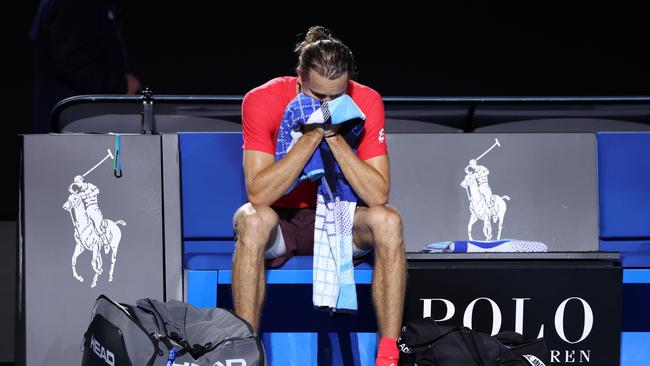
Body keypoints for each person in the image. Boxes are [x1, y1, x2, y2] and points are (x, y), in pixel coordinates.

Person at [233, 26, 405, 365]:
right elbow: (259, 191)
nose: (327, 105)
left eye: (336, 97)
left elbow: (377, 193)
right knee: (252, 220)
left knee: (389, 220)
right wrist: (311, 137)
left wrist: (335, 137)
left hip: (341, 218)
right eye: (317, 97)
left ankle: (388, 353)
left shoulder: (367, 100)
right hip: (282, 221)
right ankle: (245, 351)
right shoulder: (262, 100)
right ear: (299, 78)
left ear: (348, 84)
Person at [30, 0, 142, 133]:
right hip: (73, 129)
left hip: (77, 129)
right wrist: (121, 86)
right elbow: (73, 60)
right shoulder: (76, 4)